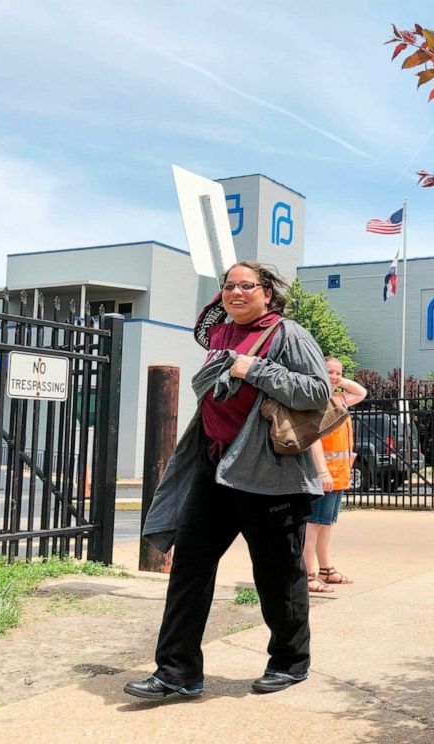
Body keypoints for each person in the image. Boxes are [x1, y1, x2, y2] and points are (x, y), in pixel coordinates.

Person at [124, 260, 331, 701]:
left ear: (267, 294)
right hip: (215, 467)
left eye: (247, 286)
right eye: (229, 286)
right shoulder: (220, 335)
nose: (237, 293)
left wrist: (251, 368)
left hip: (270, 476)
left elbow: (317, 393)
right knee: (190, 568)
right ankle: (177, 671)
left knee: (277, 575)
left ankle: (290, 661)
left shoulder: (287, 334)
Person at [305, 357, 367, 594]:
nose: (334, 376)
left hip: (339, 474)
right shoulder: (317, 401)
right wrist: (322, 472)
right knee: (313, 524)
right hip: (325, 475)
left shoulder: (338, 399)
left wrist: (338, 381)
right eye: (328, 371)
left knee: (326, 523)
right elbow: (314, 439)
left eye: (338, 373)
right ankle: (308, 574)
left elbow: (361, 392)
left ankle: (326, 570)